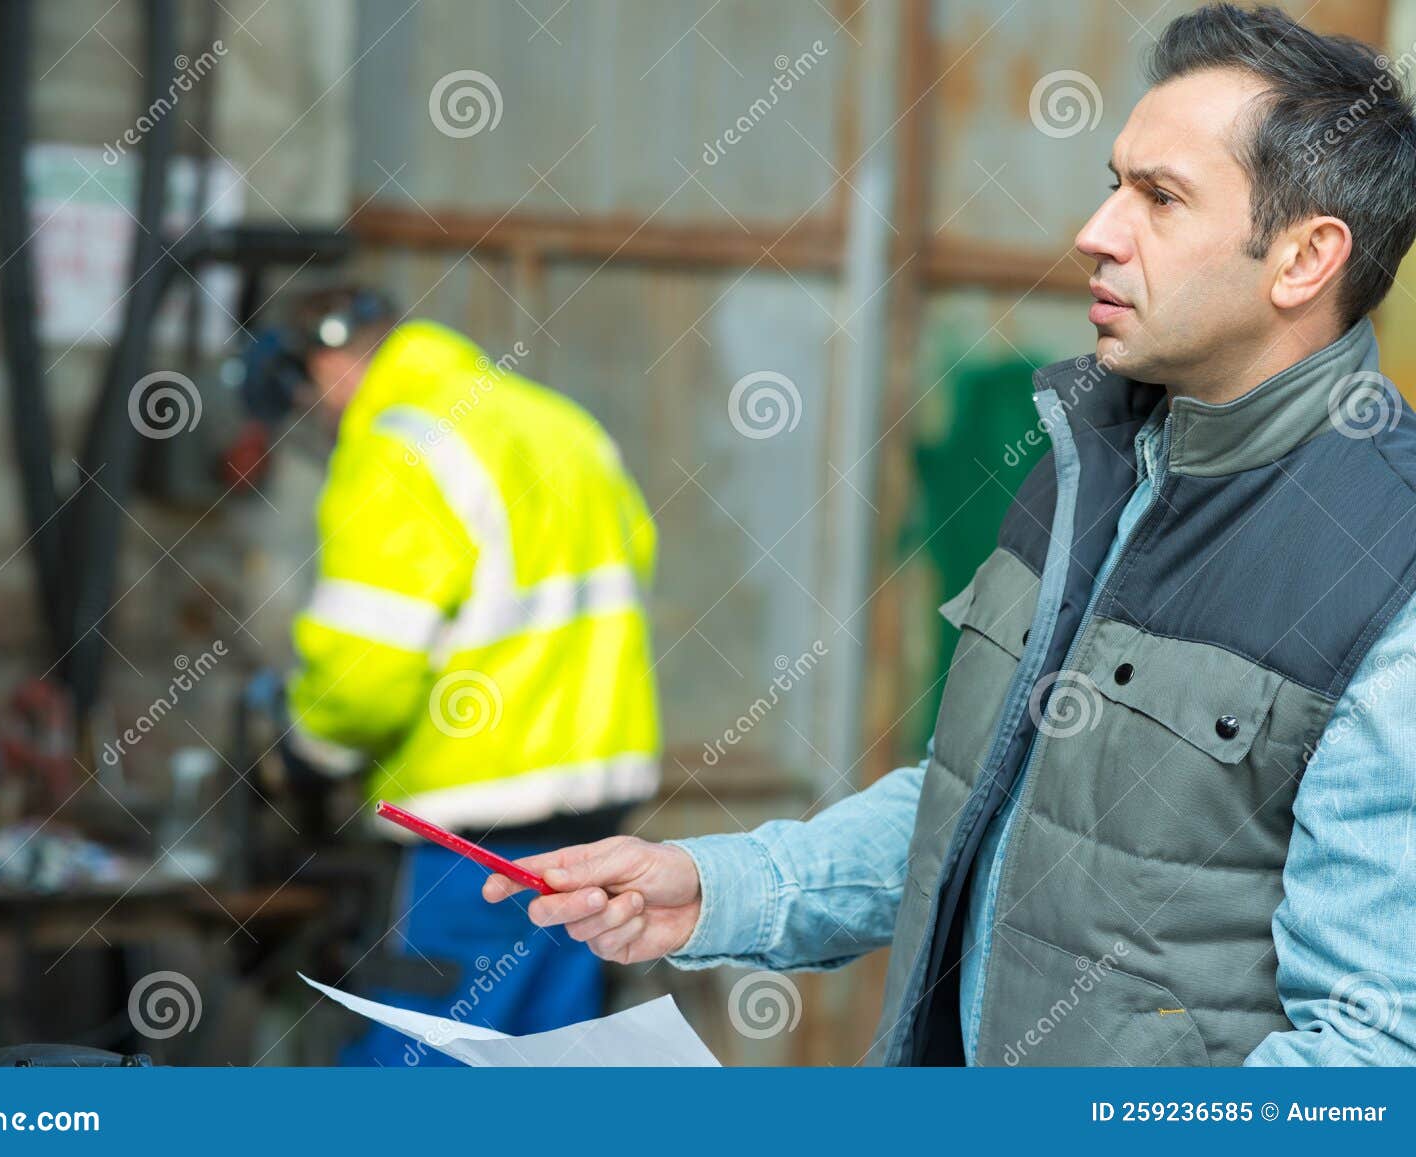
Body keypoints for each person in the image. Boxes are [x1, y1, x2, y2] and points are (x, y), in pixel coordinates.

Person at [484, 4, 1416, 1066]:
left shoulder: (1387, 573)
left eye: (1159, 198)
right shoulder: (1090, 460)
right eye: (1115, 183)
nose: (1097, 229)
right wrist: (722, 886)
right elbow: (984, 805)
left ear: (1303, 259)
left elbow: (1372, 1056)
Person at [281, 287, 662, 1065]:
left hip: (470, 847)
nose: (315, 414)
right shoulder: (560, 424)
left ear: (328, 359)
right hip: (593, 842)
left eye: (304, 388)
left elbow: (361, 678)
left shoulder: (399, 439)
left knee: (420, 1080)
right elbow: (635, 569)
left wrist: (305, 754)